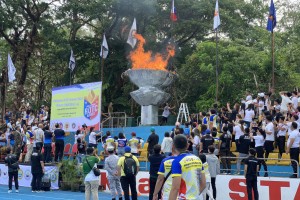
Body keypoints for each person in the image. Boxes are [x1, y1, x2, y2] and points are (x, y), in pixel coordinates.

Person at [169, 134, 206, 200]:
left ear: (173, 146)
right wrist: (194, 196)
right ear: (187, 145)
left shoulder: (177, 161)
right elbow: (203, 183)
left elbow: (175, 188)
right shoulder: (197, 159)